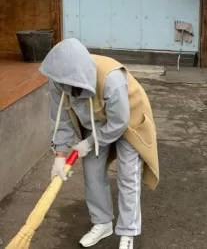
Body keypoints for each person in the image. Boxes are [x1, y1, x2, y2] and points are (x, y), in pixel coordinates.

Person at [39, 38, 159, 249]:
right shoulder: (58, 80)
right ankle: (102, 223)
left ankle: (128, 232)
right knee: (92, 171)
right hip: (94, 121)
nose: (65, 88)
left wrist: (90, 142)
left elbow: (119, 123)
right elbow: (61, 118)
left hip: (128, 119)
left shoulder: (112, 79)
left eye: (71, 85)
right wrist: (59, 155)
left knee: (128, 174)